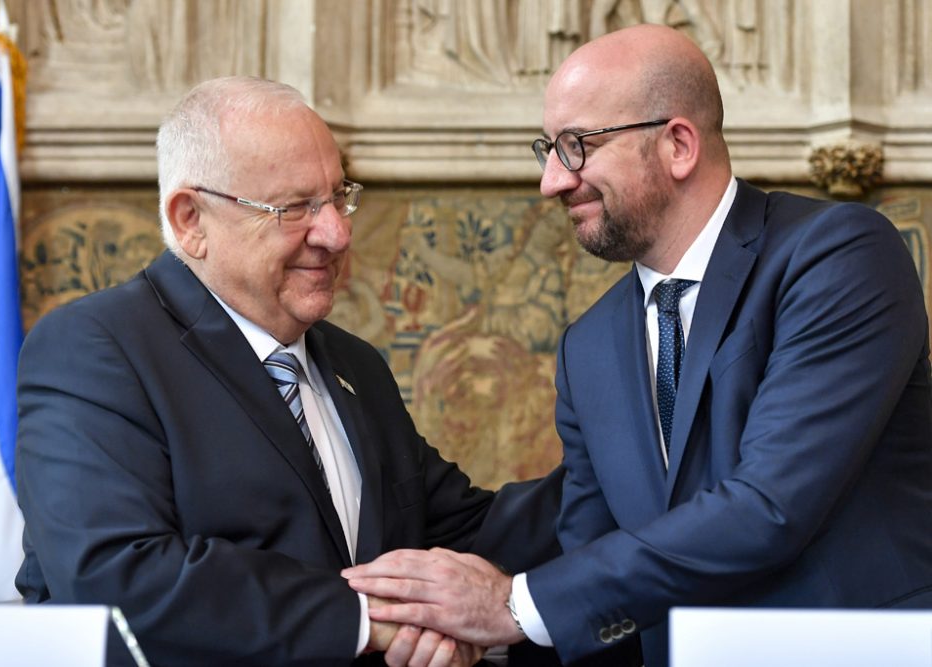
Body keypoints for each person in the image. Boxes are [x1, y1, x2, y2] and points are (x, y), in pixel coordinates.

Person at [342, 22, 932, 667]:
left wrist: (513, 606)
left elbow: (771, 506)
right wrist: (473, 638)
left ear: (678, 145)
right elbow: (592, 554)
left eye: (577, 146)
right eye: (548, 150)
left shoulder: (835, 253)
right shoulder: (587, 345)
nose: (552, 182)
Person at [15, 76, 561, 667]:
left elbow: (458, 529)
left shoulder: (354, 364)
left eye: (339, 196)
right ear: (191, 219)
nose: (337, 232)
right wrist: (366, 619)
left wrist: (635, 489)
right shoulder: (97, 349)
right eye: (296, 207)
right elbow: (116, 577)